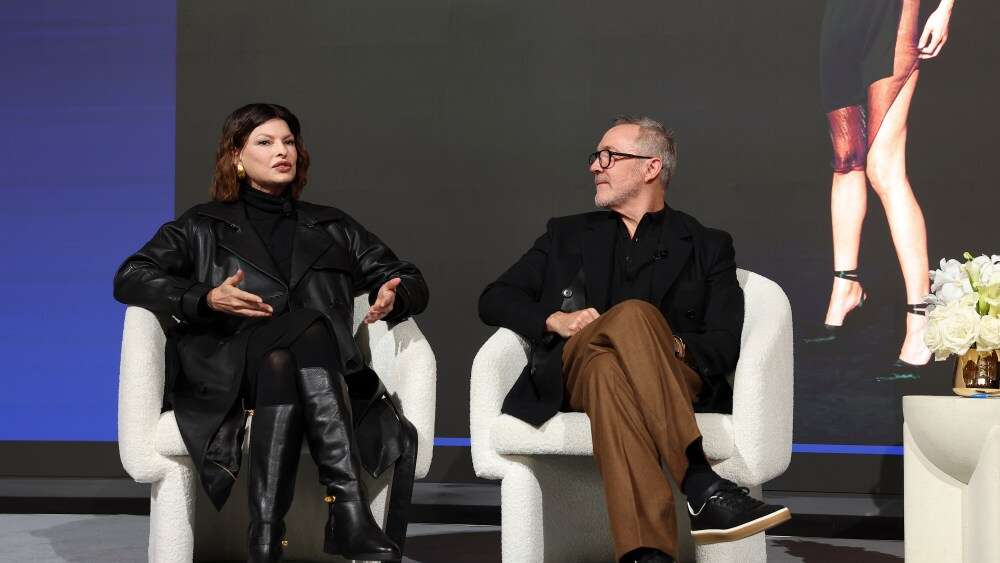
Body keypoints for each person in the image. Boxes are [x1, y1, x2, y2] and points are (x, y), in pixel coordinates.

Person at [114, 103, 428, 562]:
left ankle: (265, 541)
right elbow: (131, 275)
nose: (282, 151)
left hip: (310, 373)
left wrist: (393, 296)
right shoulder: (203, 225)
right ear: (237, 157)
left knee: (291, 352)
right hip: (231, 369)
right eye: (265, 142)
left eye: (288, 142)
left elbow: (407, 277)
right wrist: (204, 297)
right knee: (310, 325)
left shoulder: (332, 225)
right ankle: (348, 512)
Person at [479, 116, 789, 563]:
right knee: (626, 326)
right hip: (573, 372)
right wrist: (554, 321)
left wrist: (669, 345)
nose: (595, 167)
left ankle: (647, 555)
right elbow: (494, 299)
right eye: (595, 157)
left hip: (666, 376)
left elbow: (723, 345)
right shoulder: (565, 235)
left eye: (609, 157)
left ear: (650, 167)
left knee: (617, 360)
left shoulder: (707, 245)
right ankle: (699, 481)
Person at [812, 0, 955, 376]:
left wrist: (944, 10)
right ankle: (845, 289)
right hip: (842, 16)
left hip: (894, 16)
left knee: (884, 168)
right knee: (846, 160)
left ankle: (921, 320)